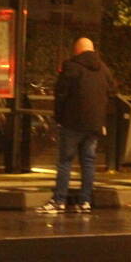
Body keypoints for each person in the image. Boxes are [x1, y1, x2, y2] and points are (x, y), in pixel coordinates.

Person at [36, 38, 116, 214]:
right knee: (88, 162)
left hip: (72, 122)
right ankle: (85, 201)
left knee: (65, 162)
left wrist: (59, 117)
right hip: (94, 124)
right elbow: (111, 94)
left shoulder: (71, 66)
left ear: (77, 50)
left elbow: (61, 94)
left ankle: (59, 200)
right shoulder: (104, 69)